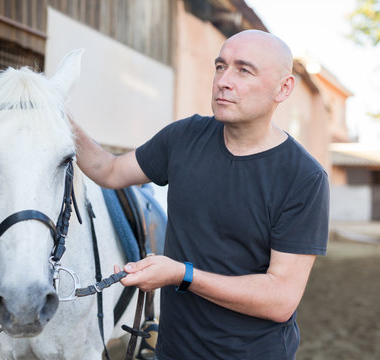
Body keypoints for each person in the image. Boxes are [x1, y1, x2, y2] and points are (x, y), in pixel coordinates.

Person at [72, 29, 329, 360]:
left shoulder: (303, 178)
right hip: (174, 352)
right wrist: (51, 112)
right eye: (220, 66)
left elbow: (280, 299)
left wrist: (182, 274)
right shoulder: (184, 137)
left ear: (284, 88)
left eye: (243, 70)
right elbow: (109, 170)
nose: (224, 80)